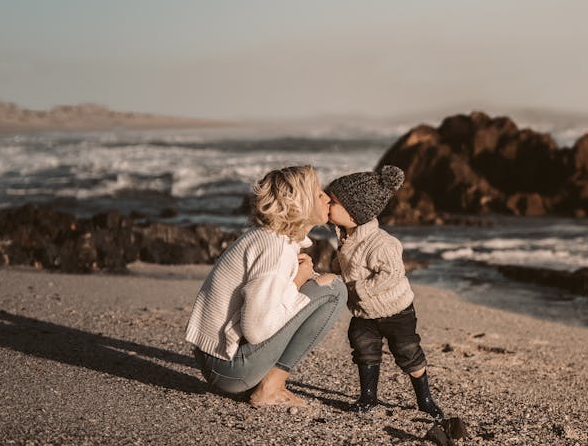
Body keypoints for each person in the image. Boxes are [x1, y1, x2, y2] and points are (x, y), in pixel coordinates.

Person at [186, 165, 347, 408]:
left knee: (319, 286)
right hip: (229, 368)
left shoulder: (273, 238)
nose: (327, 198)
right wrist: (298, 282)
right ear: (298, 202)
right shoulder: (275, 247)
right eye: (318, 194)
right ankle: (271, 387)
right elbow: (257, 330)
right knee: (334, 290)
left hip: (220, 360)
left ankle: (265, 383)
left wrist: (301, 281)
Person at [326, 165, 445, 419]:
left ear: (354, 212)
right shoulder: (347, 235)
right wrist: (336, 269)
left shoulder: (382, 244)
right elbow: (348, 262)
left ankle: (425, 398)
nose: (327, 203)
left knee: (407, 353)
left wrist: (358, 288)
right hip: (364, 312)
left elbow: (390, 274)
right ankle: (368, 396)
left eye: (333, 202)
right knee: (363, 346)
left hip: (396, 312)